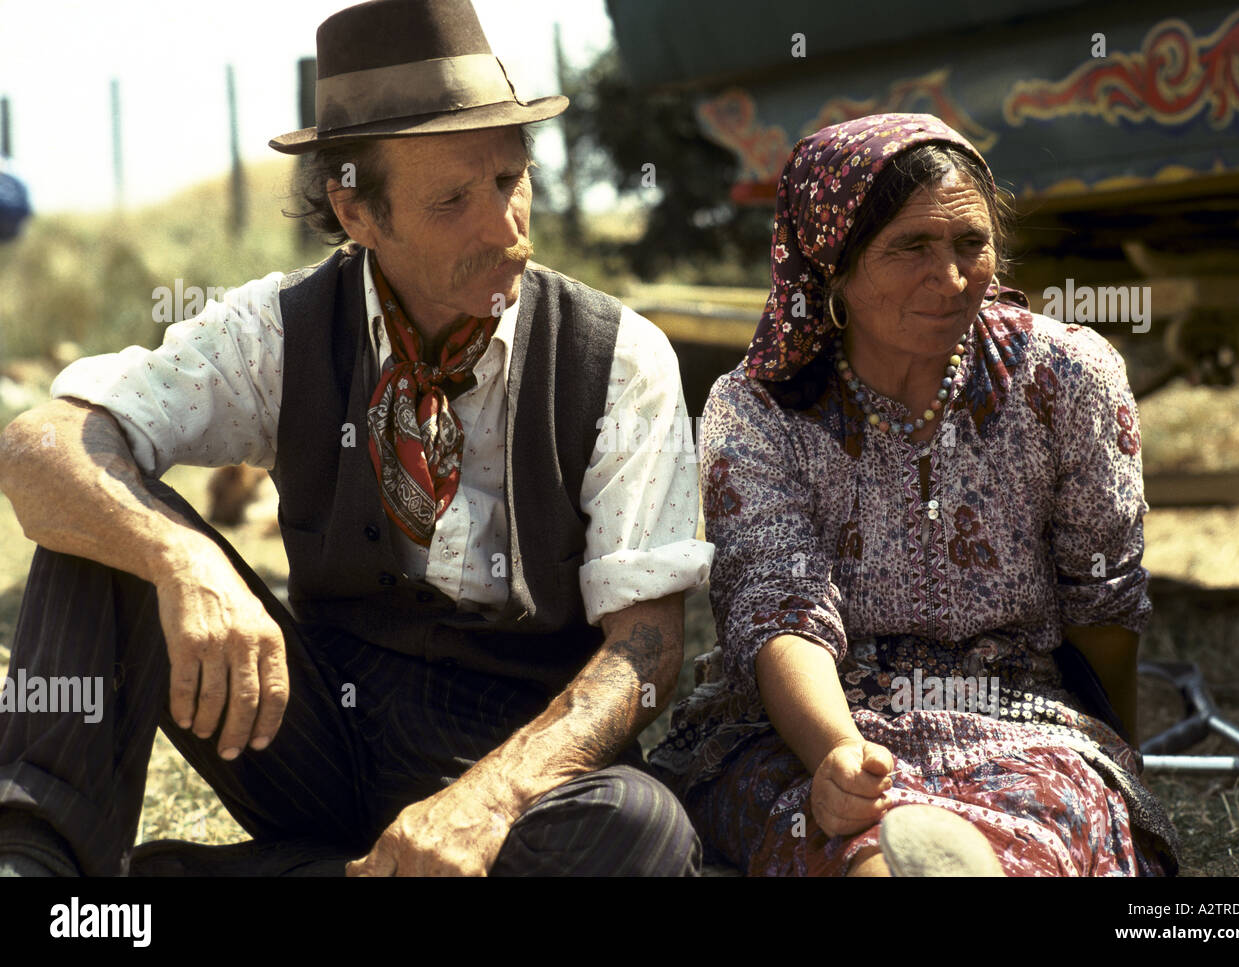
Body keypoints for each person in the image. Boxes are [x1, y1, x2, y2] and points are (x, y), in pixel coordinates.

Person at [0, 0, 712, 877]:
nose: (505, 225)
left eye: (510, 178)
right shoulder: (283, 328)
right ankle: (34, 872)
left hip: (526, 766)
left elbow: (649, 647)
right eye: (453, 199)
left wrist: (487, 800)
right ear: (355, 207)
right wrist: (187, 562)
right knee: (104, 526)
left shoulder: (617, 357)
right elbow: (40, 444)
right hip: (319, 740)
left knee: (643, 829)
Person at [648, 113, 1180, 877]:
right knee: (853, 844)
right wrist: (838, 760)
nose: (954, 277)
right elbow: (779, 610)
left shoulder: (1063, 378)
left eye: (971, 244)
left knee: (1043, 836)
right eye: (912, 248)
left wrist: (1113, 760)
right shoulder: (759, 410)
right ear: (835, 264)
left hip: (1017, 716)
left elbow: (1103, 600)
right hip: (812, 723)